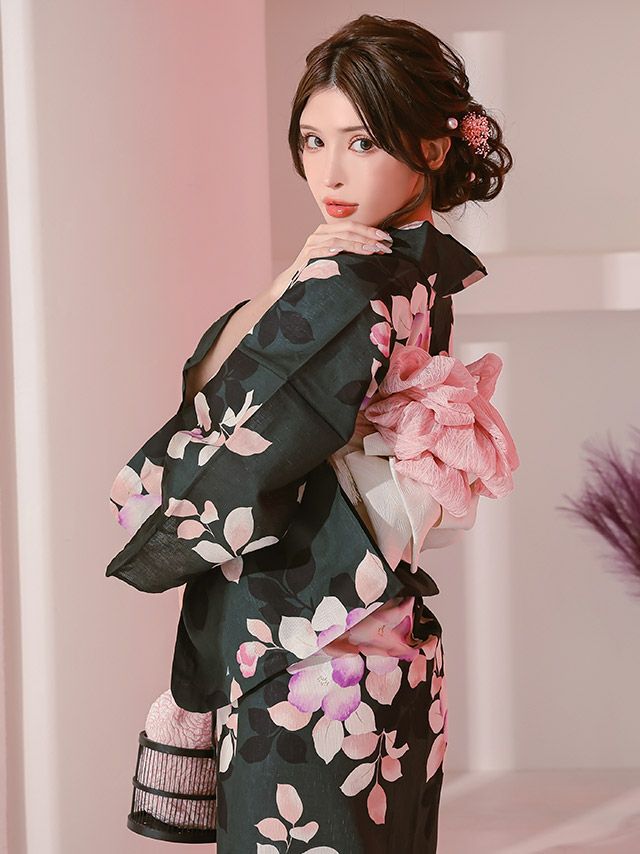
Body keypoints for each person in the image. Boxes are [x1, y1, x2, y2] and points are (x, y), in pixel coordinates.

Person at [106, 13, 514, 853]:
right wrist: (290, 277)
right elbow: (230, 378)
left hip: (305, 658)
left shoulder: (347, 283)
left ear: (432, 147)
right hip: (387, 639)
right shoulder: (420, 270)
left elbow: (235, 443)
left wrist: (151, 515)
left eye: (362, 142)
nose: (329, 172)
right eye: (312, 141)